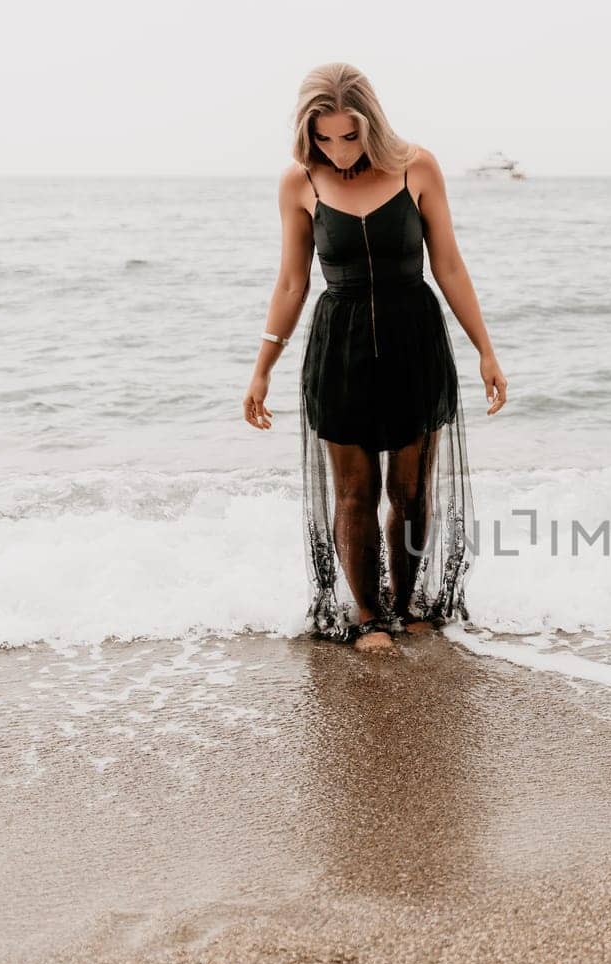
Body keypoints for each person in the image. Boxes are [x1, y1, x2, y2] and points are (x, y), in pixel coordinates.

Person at [243, 62, 508, 654]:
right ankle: (367, 615)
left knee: (411, 490)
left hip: (414, 338)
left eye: (349, 135)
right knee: (356, 491)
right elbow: (291, 283)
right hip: (340, 349)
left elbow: (449, 266)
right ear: (309, 133)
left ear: (372, 124)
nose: (337, 150)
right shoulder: (299, 183)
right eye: (324, 137)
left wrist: (486, 350)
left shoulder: (417, 166)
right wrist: (263, 367)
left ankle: (409, 602)